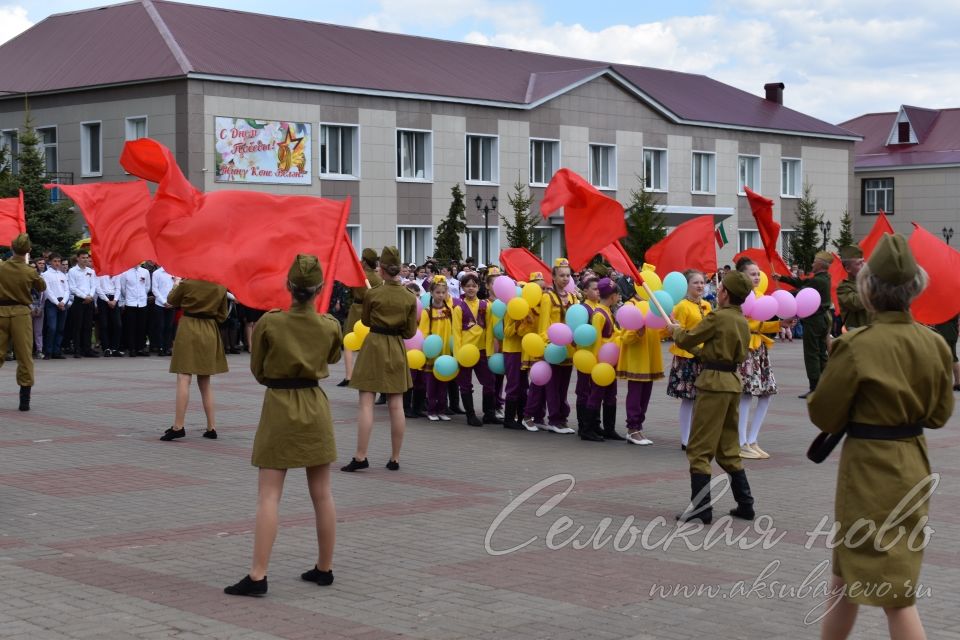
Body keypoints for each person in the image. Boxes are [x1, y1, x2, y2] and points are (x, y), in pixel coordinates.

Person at [808, 234, 954, 640]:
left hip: (866, 470)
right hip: (912, 463)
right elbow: (940, 415)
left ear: (868, 289)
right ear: (915, 289)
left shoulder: (856, 345)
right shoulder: (936, 344)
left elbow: (823, 412)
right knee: (856, 579)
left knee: (885, 593)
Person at [224, 254, 342, 597]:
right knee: (322, 493)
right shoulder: (330, 324)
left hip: (279, 406)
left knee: (269, 496)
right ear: (319, 289)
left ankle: (258, 575)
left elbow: (258, 369)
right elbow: (333, 358)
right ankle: (325, 567)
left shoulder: (270, 323)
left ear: (288, 287)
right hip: (315, 405)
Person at [666, 270, 754, 524]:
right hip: (731, 383)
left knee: (699, 449)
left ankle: (702, 508)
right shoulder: (740, 320)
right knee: (728, 448)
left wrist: (676, 331)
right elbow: (711, 351)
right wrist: (686, 341)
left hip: (713, 384)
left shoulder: (718, 317)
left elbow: (691, 337)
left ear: (725, 292)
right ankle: (745, 504)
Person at [343, 246, 417, 472]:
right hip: (395, 347)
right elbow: (410, 332)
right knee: (397, 405)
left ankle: (360, 455)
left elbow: (365, 321)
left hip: (374, 346)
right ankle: (395, 458)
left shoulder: (373, 293)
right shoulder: (409, 297)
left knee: (366, 403)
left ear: (382, 270)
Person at [160, 278, 229, 441]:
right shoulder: (220, 285)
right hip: (209, 330)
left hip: (189, 328)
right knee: (205, 382)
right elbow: (222, 315)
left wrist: (176, 283)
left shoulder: (188, 283)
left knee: (184, 377)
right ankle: (211, 427)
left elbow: (171, 300)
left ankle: (178, 426)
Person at [734, 258, 781, 460]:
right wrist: (774, 325)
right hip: (745, 350)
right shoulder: (737, 297)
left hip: (760, 349)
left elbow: (760, 324)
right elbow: (744, 325)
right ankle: (740, 442)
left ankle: (752, 439)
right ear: (742, 275)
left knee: (767, 392)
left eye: (758, 273)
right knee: (746, 394)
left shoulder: (761, 296)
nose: (757, 276)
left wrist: (782, 322)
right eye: (752, 273)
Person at [774, 252, 833, 397]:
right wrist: (782, 278)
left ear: (820, 264)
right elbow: (802, 282)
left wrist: (782, 293)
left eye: (814, 262)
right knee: (821, 352)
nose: (812, 264)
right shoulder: (824, 279)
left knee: (812, 353)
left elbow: (801, 289)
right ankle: (824, 385)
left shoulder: (818, 281)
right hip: (823, 319)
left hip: (814, 320)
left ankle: (815, 387)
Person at [666, 270, 712, 450]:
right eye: (696, 283)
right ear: (687, 286)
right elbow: (678, 332)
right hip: (687, 358)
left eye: (702, 282)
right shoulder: (682, 306)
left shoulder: (707, 305)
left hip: (703, 356)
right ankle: (685, 439)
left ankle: (697, 435)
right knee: (688, 398)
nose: (700, 286)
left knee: (701, 399)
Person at [0, 234, 46, 411]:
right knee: (25, 356)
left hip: (1, 312)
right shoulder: (29, 271)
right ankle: (24, 400)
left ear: (12, 248)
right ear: (28, 251)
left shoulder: (1, 267)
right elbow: (41, 287)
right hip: (20, 313)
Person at [616, 276, 663, 445]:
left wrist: (670, 327)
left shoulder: (655, 305)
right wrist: (637, 332)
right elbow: (625, 337)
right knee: (635, 394)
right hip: (637, 358)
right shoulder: (630, 305)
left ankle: (638, 427)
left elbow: (659, 332)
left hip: (651, 356)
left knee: (645, 394)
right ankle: (632, 428)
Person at [537, 258, 577, 432]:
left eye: (568, 275)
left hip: (569, 349)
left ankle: (562, 418)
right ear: (553, 277)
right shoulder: (547, 297)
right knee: (553, 386)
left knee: (564, 386)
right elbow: (543, 326)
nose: (565, 279)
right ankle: (554, 419)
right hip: (553, 349)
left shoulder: (573, 297)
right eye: (561, 275)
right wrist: (548, 344)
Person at [452, 272, 497, 426]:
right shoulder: (458, 308)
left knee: (489, 382)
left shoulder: (486, 306)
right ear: (463, 288)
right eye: (467, 286)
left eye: (474, 285)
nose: (471, 289)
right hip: (465, 351)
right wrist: (457, 354)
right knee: (465, 384)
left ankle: (489, 414)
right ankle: (470, 415)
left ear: (479, 287)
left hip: (482, 350)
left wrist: (490, 351)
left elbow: (490, 330)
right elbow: (456, 333)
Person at [583, 277, 624, 441]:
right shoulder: (599, 314)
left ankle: (609, 428)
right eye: (617, 294)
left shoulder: (606, 311)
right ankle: (587, 429)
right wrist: (596, 362)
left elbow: (613, 333)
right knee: (596, 395)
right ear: (613, 296)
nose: (618, 297)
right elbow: (596, 340)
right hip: (601, 362)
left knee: (610, 394)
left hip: (610, 361)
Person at [340, 248, 382, 387]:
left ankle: (349, 375)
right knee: (369, 343)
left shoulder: (358, 275)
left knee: (348, 342)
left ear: (364, 261)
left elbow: (349, 290)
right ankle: (369, 373)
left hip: (357, 308)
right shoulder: (377, 278)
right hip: (370, 311)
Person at [417, 276, 454, 422]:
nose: (440, 295)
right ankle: (431, 409)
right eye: (437, 292)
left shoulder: (450, 310)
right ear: (431, 293)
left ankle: (442, 409)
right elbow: (423, 332)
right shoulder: (427, 312)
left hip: (445, 352)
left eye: (443, 292)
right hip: (432, 353)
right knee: (431, 383)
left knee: (443, 382)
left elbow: (453, 330)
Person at [66, 249, 99, 358]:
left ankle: (87, 349)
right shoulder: (72, 271)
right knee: (78, 326)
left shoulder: (91, 271)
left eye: (86, 258)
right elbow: (72, 287)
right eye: (83, 258)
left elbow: (94, 285)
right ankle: (77, 349)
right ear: (78, 258)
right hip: (79, 301)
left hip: (89, 300)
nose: (85, 260)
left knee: (88, 326)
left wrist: (90, 296)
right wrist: (85, 296)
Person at [120, 263, 152, 357]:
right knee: (131, 327)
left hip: (142, 302)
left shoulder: (145, 271)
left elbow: (147, 286)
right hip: (130, 302)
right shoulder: (125, 272)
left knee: (141, 327)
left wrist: (142, 295)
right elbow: (123, 288)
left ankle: (140, 348)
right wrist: (130, 297)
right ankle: (132, 348)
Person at [41, 253, 69, 360]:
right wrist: (57, 303)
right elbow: (47, 291)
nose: (57, 263)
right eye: (55, 261)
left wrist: (64, 301)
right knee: (52, 327)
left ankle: (56, 351)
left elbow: (67, 289)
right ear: (50, 262)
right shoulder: (46, 275)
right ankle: (48, 351)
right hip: (52, 303)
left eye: (59, 261)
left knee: (60, 328)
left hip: (63, 302)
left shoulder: (62, 275)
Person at [836, 245, 869, 331]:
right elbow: (856, 303)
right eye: (859, 263)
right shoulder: (843, 287)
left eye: (863, 261)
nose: (863, 265)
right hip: (855, 333)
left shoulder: (869, 282)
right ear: (848, 269)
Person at [96, 272, 124, 356]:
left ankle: (115, 348)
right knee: (104, 325)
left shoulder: (116, 272)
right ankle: (106, 348)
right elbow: (98, 288)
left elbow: (118, 288)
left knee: (117, 324)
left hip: (114, 299)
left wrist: (115, 300)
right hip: (103, 299)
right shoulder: (100, 272)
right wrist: (107, 300)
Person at [150, 265, 176, 356]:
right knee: (160, 326)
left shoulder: (174, 271)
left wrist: (172, 301)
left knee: (169, 327)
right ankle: (160, 347)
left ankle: (167, 347)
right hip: (160, 304)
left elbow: (176, 287)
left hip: (171, 303)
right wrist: (164, 302)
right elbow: (155, 289)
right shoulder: (156, 273)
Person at [930, 314, 959, 391]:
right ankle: (957, 382)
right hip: (952, 334)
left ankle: (946, 383)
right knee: (953, 358)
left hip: (945, 334)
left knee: (945, 358)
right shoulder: (954, 307)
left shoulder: (945, 310)